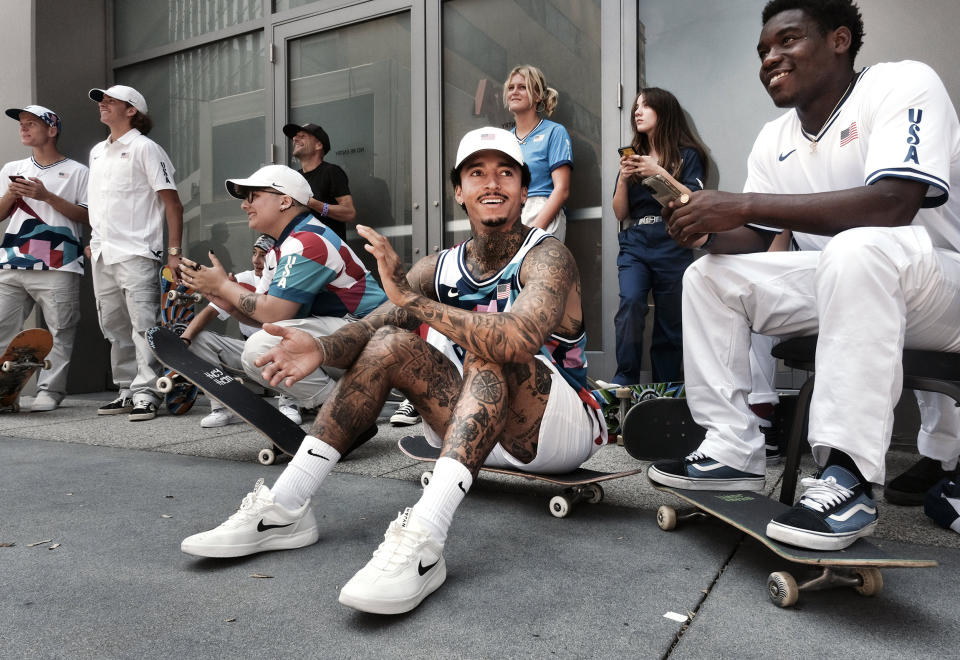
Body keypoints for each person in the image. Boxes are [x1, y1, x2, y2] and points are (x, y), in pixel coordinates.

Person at [179, 127, 607, 615]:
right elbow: (369, 329)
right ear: (459, 191)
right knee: (388, 340)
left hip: (557, 429)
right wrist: (319, 347)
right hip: (474, 433)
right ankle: (285, 509)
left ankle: (423, 538)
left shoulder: (548, 254)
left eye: (506, 172)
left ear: (522, 186)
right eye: (477, 173)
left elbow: (517, 339)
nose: (492, 183)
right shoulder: (440, 266)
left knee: (491, 344)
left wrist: (410, 298)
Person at [647, 0, 960, 551]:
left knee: (857, 248)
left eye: (788, 41)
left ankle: (849, 476)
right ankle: (730, 450)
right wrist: (704, 232)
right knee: (711, 278)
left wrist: (739, 203)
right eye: (764, 50)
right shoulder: (775, 139)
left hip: (941, 287)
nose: (771, 57)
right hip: (847, 282)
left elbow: (894, 203)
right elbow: (754, 235)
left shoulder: (903, 84)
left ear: (840, 40)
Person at [177, 165, 386, 415]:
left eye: (253, 196)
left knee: (260, 347)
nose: (245, 205)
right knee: (257, 347)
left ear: (285, 201)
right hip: (348, 336)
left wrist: (223, 285)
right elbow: (266, 318)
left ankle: (344, 413)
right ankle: (334, 407)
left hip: (374, 339)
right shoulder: (282, 247)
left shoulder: (308, 241)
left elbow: (273, 313)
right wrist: (228, 300)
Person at [87, 84, 184, 422]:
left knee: (144, 324)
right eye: (102, 100)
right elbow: (100, 203)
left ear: (132, 111)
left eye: (111, 101)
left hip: (138, 251)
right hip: (102, 252)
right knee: (112, 324)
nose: (103, 105)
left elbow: (172, 203)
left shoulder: (146, 148)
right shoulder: (97, 152)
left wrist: (174, 253)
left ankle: (148, 392)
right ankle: (127, 389)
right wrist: (94, 239)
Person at [608, 88, 707, 386]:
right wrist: (624, 179)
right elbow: (619, 211)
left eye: (645, 106)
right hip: (636, 239)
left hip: (672, 239)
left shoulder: (687, 155)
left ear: (664, 111)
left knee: (670, 317)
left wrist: (658, 171)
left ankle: (666, 387)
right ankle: (624, 381)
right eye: (635, 106)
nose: (637, 111)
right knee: (631, 304)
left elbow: (692, 200)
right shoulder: (634, 159)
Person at [0, 105, 89, 412]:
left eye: (31, 124)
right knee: (1, 327)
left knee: (61, 329)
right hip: (12, 260)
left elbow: (89, 217)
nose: (24, 128)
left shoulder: (79, 172)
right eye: (21, 124)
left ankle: (50, 391)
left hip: (59, 262)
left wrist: (46, 196)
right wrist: (13, 194)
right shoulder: (12, 167)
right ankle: (4, 393)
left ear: (52, 130)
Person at [177, 233, 307, 428]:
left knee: (285, 338)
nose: (256, 260)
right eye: (254, 253)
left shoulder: (288, 279)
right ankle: (223, 408)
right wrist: (184, 340)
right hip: (249, 355)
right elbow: (207, 314)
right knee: (199, 339)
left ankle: (290, 403)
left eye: (263, 255)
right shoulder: (241, 280)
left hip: (284, 356)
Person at [504, 65, 572, 242]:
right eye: (511, 88)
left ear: (537, 96)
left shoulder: (554, 132)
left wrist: (534, 231)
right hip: (510, 214)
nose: (514, 92)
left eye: (522, 87)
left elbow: (562, 190)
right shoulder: (505, 140)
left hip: (543, 211)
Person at [282, 122, 356, 241]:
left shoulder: (331, 172)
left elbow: (349, 213)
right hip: (300, 250)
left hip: (329, 252)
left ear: (318, 145)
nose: (295, 139)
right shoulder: (295, 177)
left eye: (302, 136)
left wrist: (311, 203)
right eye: (295, 136)